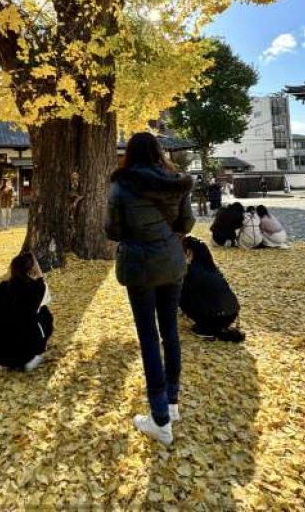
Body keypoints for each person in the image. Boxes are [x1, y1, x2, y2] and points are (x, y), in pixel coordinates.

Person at [105, 132, 195, 446]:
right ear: (159, 152)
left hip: (140, 266)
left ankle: (159, 420)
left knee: (148, 336)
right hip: (171, 262)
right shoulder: (177, 182)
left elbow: (112, 230)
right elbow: (188, 223)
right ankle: (172, 403)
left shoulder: (121, 185)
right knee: (170, 331)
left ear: (129, 154)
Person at [0, 252, 53, 371]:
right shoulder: (37, 288)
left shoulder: (1, 287)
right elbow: (46, 298)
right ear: (32, 269)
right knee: (45, 313)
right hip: (23, 353)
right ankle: (28, 359)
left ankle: (5, 359)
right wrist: (39, 273)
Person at [179, 236, 244, 342]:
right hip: (231, 314)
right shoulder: (212, 268)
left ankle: (205, 328)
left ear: (190, 252)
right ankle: (213, 327)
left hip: (215, 318)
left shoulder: (192, 270)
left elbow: (182, 292)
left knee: (179, 293)